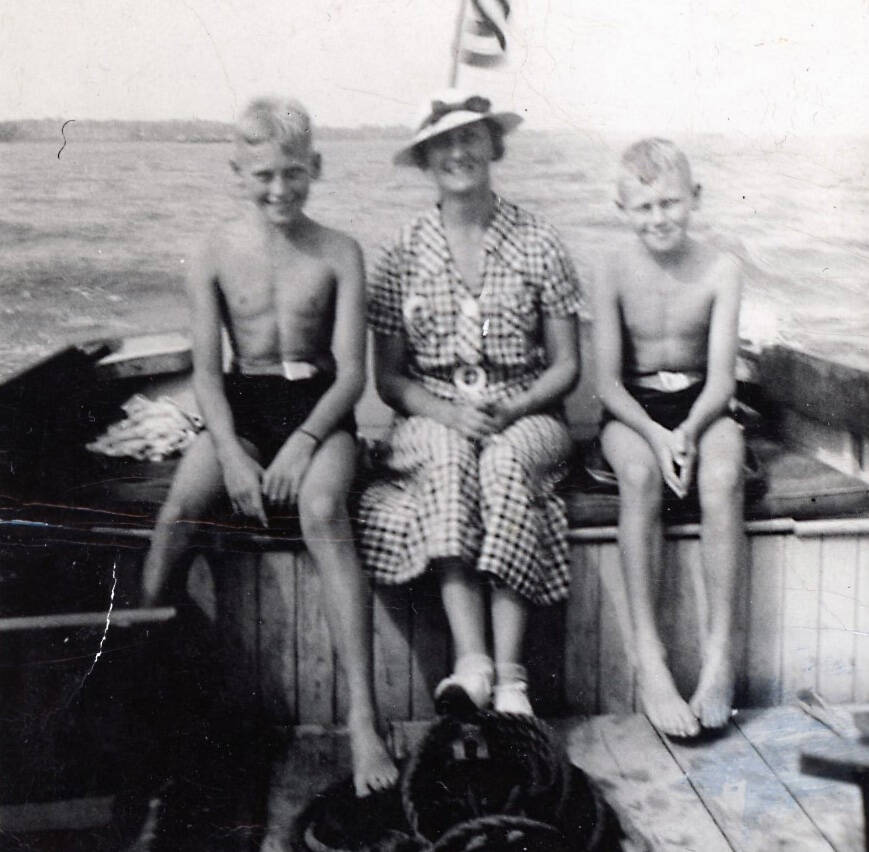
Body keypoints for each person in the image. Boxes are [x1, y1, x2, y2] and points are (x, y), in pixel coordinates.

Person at [140, 96, 397, 797]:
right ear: (237, 172)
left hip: (319, 409)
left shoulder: (340, 250)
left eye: (292, 173)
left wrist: (304, 442)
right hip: (243, 406)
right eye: (262, 176)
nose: (279, 189)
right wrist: (227, 452)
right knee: (173, 521)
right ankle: (142, 697)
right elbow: (205, 372)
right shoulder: (215, 252)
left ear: (314, 167)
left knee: (321, 509)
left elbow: (351, 375)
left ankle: (363, 720)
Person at [359, 89, 582, 717]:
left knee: (507, 464)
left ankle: (512, 679)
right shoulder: (400, 252)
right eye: (444, 144)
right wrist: (449, 413)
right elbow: (390, 381)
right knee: (451, 458)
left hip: (529, 410)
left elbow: (567, 365)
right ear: (427, 160)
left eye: (471, 138)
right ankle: (472, 662)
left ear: (493, 146)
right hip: (433, 411)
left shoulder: (539, 240)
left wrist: (513, 410)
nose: (459, 152)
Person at [593, 137, 744, 737]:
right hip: (633, 410)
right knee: (637, 475)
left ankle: (719, 657)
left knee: (724, 476)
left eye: (671, 203)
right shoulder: (609, 268)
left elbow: (723, 379)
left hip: (703, 406)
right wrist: (656, 436)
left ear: (695, 199)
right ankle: (650, 657)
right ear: (623, 209)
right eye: (645, 207)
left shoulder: (721, 267)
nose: (659, 218)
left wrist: (686, 430)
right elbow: (605, 383)